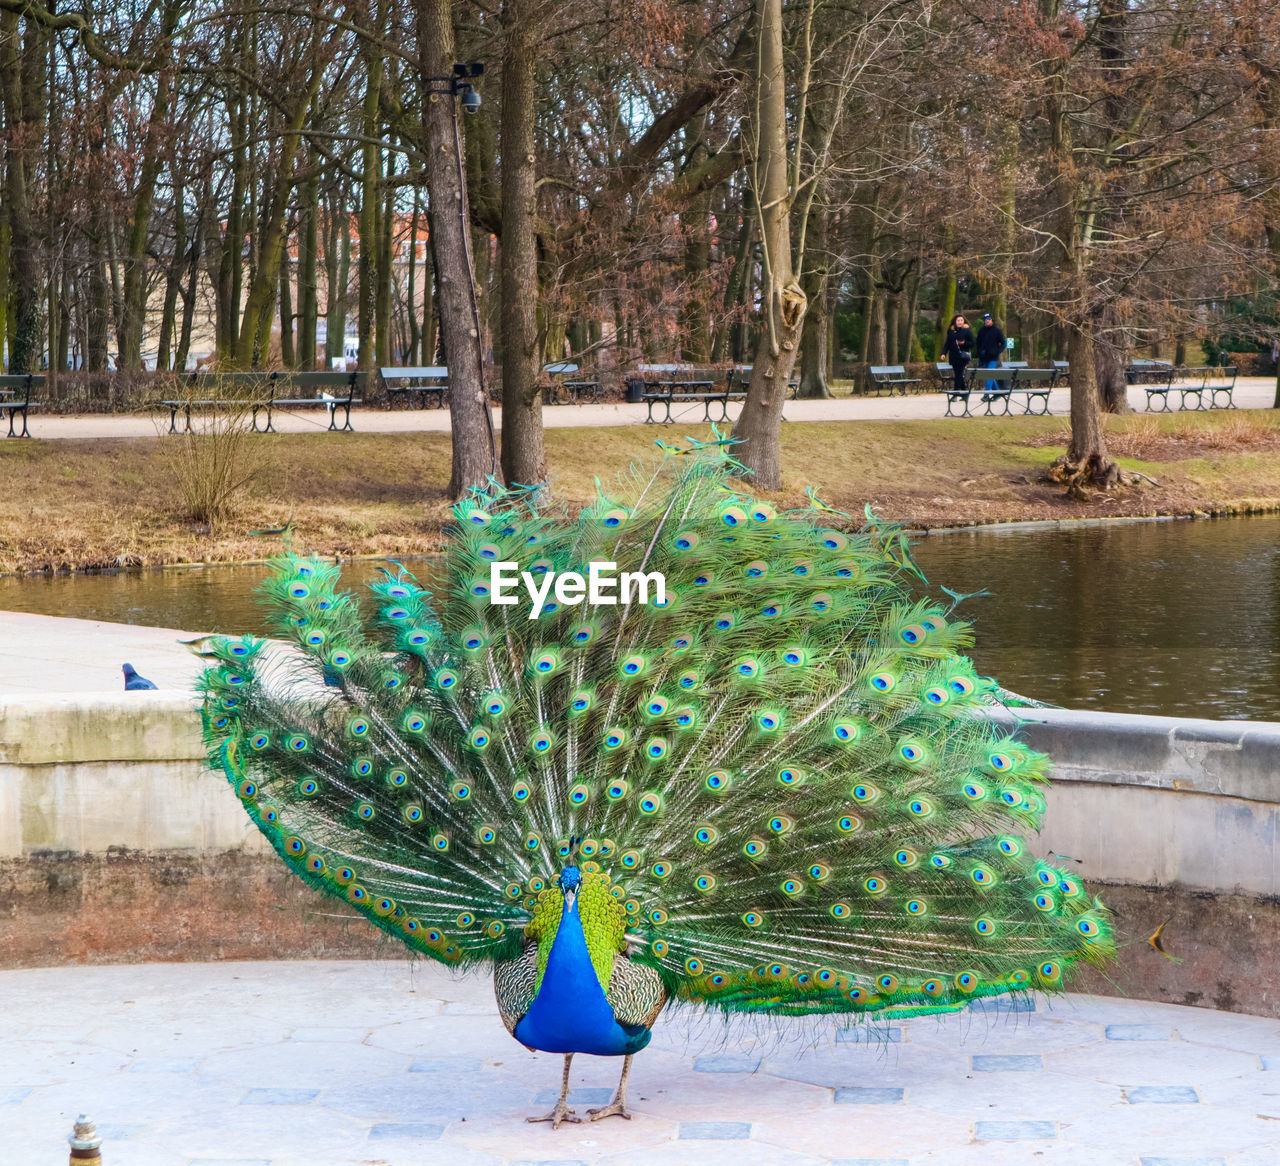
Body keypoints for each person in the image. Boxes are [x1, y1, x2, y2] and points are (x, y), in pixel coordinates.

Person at [975, 311, 1006, 400]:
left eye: (989, 319)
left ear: (992, 320)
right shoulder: (981, 331)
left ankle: (986, 394)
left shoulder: (997, 331)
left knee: (989, 375)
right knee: (989, 375)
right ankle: (997, 393)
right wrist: (980, 352)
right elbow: (978, 343)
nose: (987, 321)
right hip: (984, 357)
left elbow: (1003, 343)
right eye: (985, 320)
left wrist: (997, 351)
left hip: (993, 357)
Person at [941, 314, 974, 394]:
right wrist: (943, 353)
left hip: (963, 356)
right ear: (955, 322)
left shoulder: (967, 331)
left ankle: (955, 392)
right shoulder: (951, 332)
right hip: (954, 356)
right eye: (958, 320)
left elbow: (972, 343)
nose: (960, 322)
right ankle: (964, 391)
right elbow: (947, 344)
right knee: (958, 374)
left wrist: (964, 343)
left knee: (959, 374)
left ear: (964, 321)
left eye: (961, 320)